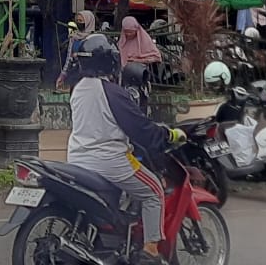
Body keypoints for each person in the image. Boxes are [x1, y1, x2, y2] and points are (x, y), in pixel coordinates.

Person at [67, 33, 183, 265]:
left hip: (77, 159)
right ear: (111, 61)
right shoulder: (113, 93)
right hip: (110, 161)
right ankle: (150, 251)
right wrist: (168, 135)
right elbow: (140, 129)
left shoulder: (78, 89)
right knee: (154, 192)